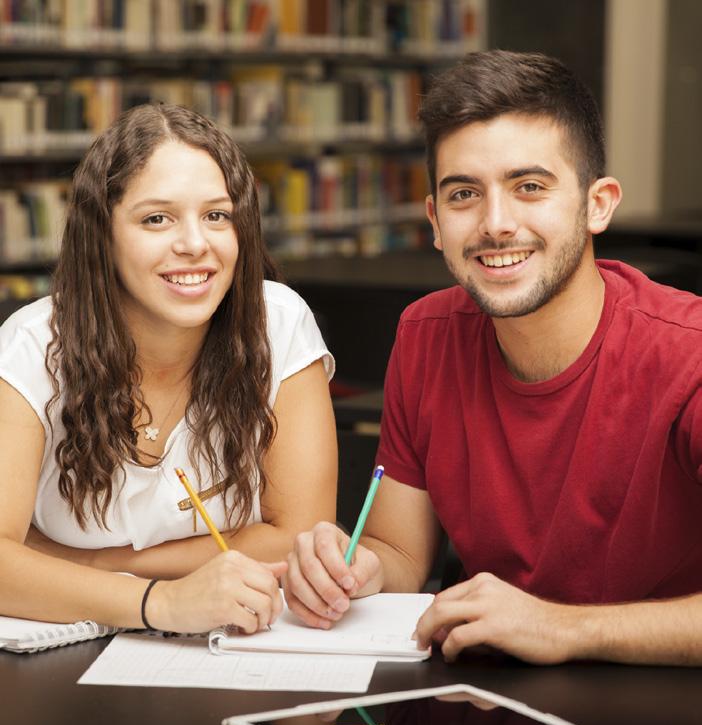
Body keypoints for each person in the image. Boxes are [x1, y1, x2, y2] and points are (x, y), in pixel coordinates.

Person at [283, 50, 702, 666]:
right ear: (434, 221)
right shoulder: (426, 335)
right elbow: (400, 554)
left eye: (529, 187)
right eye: (463, 194)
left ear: (598, 204)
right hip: (490, 697)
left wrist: (562, 629)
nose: (496, 224)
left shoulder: (687, 353)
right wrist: (353, 573)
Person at [0, 103, 337, 634]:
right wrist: (160, 602)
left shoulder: (279, 323)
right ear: (102, 236)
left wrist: (89, 566)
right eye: (157, 218)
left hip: (239, 651)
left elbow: (298, 537)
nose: (194, 245)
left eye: (216, 216)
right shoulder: (33, 345)